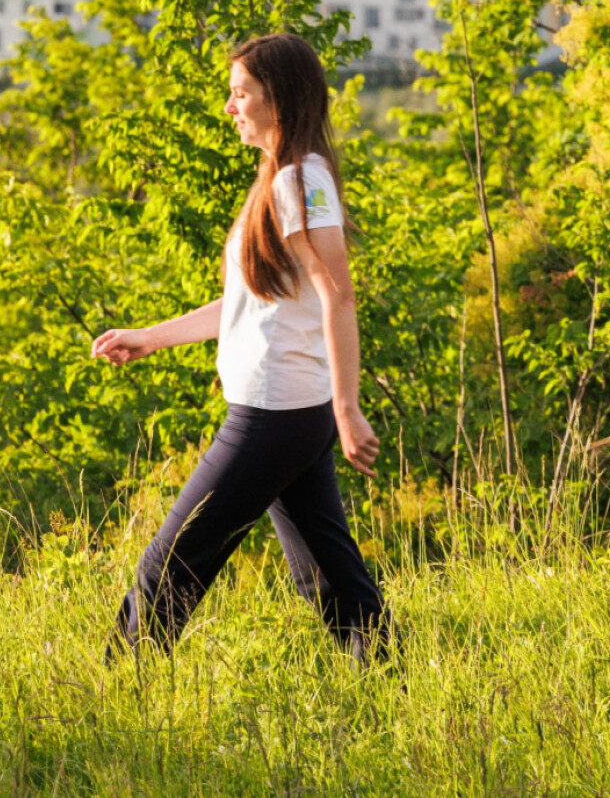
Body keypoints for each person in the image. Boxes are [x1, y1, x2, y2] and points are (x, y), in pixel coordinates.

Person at [92, 33, 389, 658]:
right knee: (326, 575)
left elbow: (339, 294)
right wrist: (152, 337)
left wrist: (346, 406)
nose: (230, 107)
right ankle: (390, 679)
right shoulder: (281, 177)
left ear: (276, 101)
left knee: (172, 559)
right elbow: (248, 303)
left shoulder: (298, 182)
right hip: (285, 409)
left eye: (240, 93)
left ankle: (111, 693)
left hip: (276, 412)